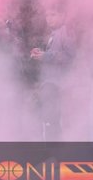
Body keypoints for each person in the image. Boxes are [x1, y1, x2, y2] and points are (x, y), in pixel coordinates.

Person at [30, 8, 76, 142]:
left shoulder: (66, 32)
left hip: (57, 84)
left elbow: (70, 57)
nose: (49, 18)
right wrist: (39, 54)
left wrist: (46, 56)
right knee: (49, 120)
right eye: (47, 15)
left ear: (62, 15)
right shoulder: (54, 33)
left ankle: (54, 152)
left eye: (53, 14)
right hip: (50, 82)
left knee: (52, 119)